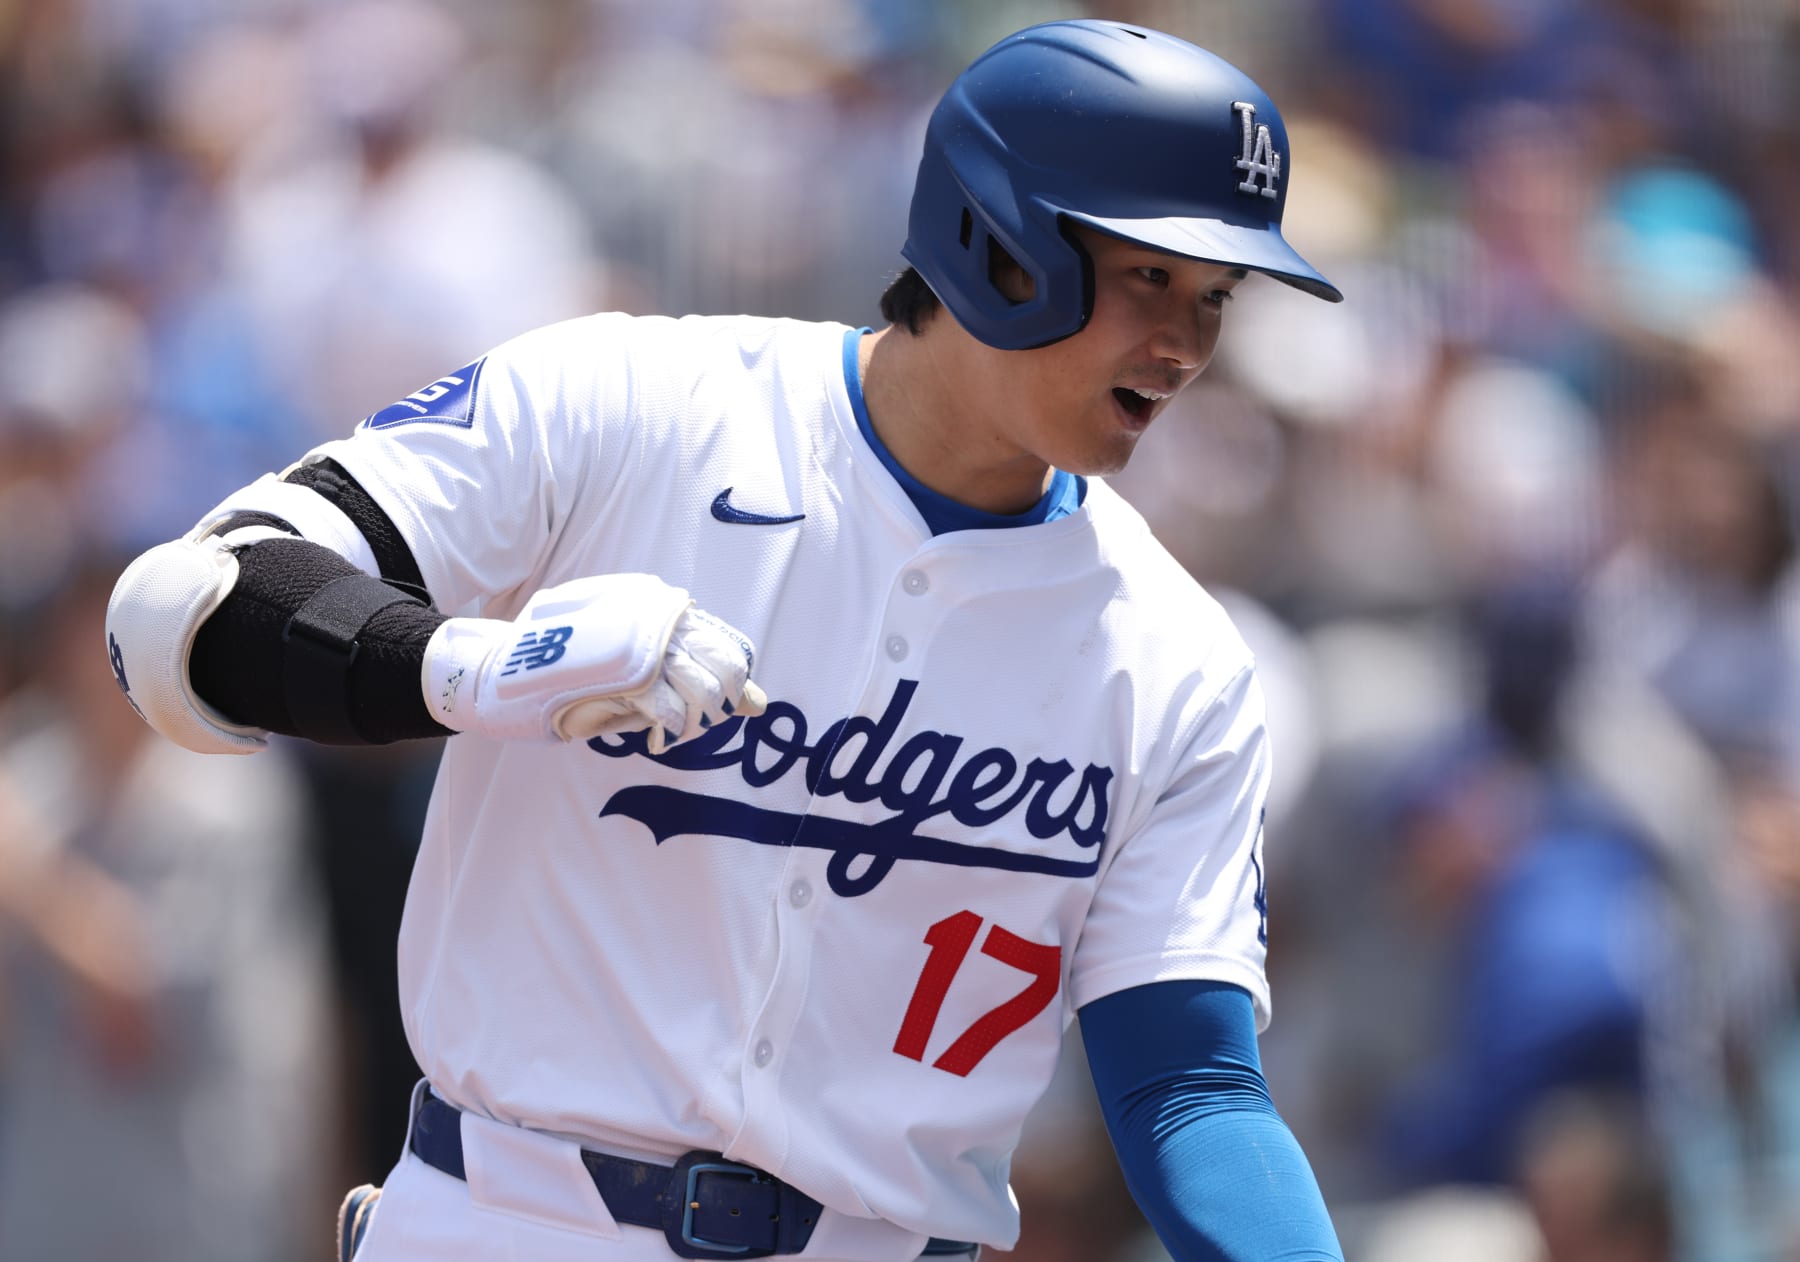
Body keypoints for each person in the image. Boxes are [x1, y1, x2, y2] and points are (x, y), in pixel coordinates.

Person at [105, 20, 1345, 1262]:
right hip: (510, 1220)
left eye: (1214, 298)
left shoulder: (1181, 654)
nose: (1184, 346)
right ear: (1001, 237)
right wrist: (480, 669)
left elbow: (1191, 1088)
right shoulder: (638, 404)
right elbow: (183, 610)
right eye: (1149, 278)